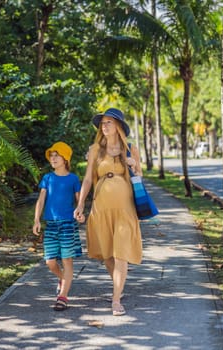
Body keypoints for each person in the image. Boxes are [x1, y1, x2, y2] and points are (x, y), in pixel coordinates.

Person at [74, 108, 142, 316]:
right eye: (102, 123)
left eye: (109, 123)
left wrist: (133, 165)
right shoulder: (95, 150)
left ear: (118, 126)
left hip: (124, 209)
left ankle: (115, 300)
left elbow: (140, 177)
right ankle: (119, 288)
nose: (104, 126)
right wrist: (80, 204)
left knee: (120, 253)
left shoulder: (130, 149)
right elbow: (87, 179)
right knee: (107, 255)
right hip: (101, 208)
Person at [33, 141, 82, 311]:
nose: (53, 159)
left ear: (65, 158)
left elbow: (79, 201)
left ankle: (63, 296)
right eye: (51, 156)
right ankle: (63, 279)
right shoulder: (47, 178)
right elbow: (41, 200)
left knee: (67, 260)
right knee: (50, 262)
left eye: (56, 156)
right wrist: (36, 219)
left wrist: (81, 213)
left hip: (68, 224)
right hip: (51, 224)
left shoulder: (73, 179)